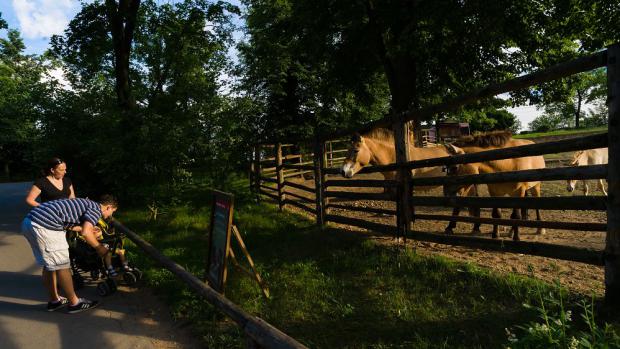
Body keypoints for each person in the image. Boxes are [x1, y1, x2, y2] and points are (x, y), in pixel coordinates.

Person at [21, 195, 118, 313]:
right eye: (112, 212)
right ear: (108, 207)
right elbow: (86, 233)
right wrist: (99, 248)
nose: (109, 216)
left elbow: (67, 223)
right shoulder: (96, 209)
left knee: (49, 265)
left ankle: (55, 301)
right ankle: (75, 303)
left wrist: (84, 228)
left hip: (30, 221)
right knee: (62, 265)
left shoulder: (83, 203)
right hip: (45, 227)